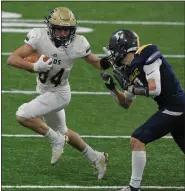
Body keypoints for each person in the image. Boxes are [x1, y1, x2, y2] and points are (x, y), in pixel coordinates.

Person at [7, 7, 111, 179]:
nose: (63, 33)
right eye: (59, 29)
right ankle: (97, 157)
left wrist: (111, 61)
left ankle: (55, 140)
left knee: (22, 115)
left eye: (67, 29)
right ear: (50, 27)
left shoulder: (79, 43)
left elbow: (97, 63)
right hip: (45, 92)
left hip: (60, 94)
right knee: (63, 131)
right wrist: (34, 66)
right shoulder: (39, 37)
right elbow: (12, 59)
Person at [101, 29, 185, 190]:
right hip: (174, 108)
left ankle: (134, 187)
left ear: (123, 48)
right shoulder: (129, 68)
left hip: (176, 107)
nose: (111, 54)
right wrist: (112, 88)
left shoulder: (147, 54)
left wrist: (131, 88)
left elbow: (155, 89)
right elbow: (126, 103)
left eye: (113, 49)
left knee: (137, 139)